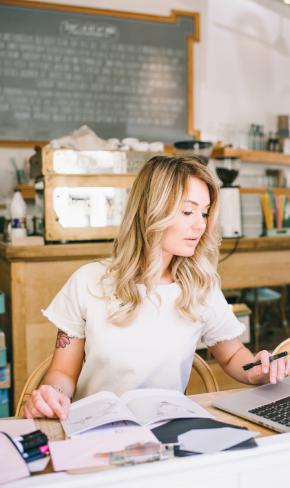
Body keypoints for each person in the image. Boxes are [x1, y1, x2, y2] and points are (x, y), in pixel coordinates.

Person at [24, 155, 290, 420]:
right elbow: (63, 373)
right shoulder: (88, 282)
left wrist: (256, 370)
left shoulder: (200, 287)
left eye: (205, 212)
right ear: (148, 210)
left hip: (168, 431)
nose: (200, 225)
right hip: (94, 430)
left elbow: (232, 355)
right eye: (188, 211)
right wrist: (52, 394)